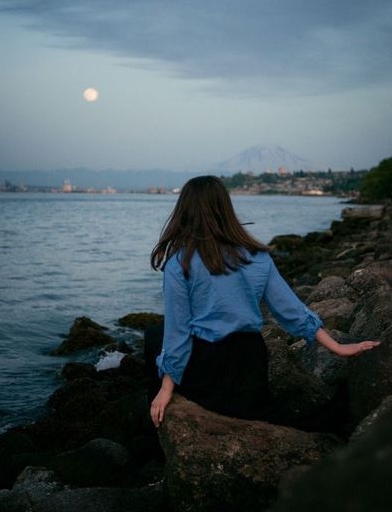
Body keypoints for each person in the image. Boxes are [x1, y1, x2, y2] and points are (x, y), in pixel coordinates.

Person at [145, 175, 381, 429]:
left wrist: (166, 388)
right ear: (225, 209)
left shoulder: (180, 263)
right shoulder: (257, 256)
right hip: (251, 362)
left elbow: (178, 332)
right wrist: (338, 347)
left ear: (184, 212)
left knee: (153, 336)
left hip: (209, 367)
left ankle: (155, 433)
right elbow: (291, 311)